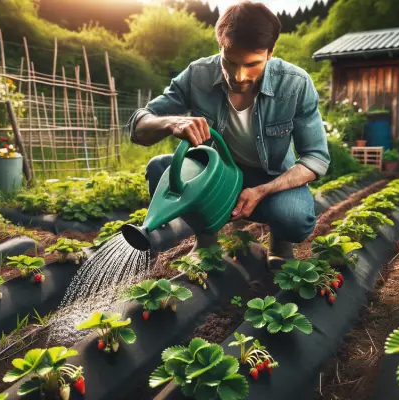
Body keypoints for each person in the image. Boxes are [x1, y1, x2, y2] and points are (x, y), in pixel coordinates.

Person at [127, 0, 330, 268]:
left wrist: (261, 190)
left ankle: (280, 243)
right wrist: (172, 122)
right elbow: (139, 126)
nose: (239, 75)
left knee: (294, 218)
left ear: (271, 52)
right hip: (217, 174)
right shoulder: (197, 74)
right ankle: (206, 239)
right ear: (220, 45)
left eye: (252, 64)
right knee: (159, 169)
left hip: (270, 177)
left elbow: (315, 158)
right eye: (230, 62)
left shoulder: (295, 84)